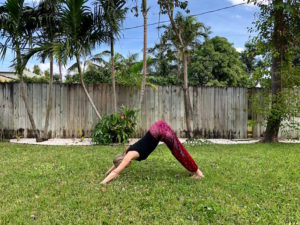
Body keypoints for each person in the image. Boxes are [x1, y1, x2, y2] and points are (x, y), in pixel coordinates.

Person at [101, 120, 204, 184]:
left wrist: (103, 182)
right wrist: (107, 172)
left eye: (124, 165)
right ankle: (196, 171)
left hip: (161, 132)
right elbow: (116, 164)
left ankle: (198, 173)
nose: (125, 166)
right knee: (178, 150)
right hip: (158, 127)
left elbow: (117, 170)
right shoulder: (127, 151)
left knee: (179, 152)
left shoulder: (129, 155)